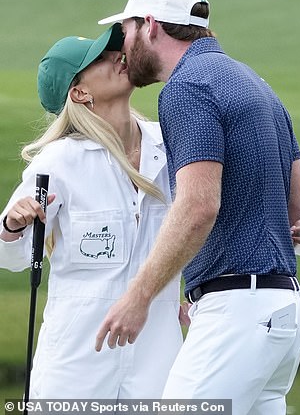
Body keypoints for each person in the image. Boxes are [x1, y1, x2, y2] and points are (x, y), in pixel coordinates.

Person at [96, 0, 300, 414]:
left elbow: (197, 206)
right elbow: (299, 213)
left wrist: (139, 296)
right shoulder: (255, 83)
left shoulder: (187, 86)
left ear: (151, 25)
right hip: (283, 312)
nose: (124, 42)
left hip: (239, 316)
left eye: (127, 29)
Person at [0, 23, 183, 399]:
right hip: (75, 367)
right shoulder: (58, 162)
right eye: (100, 58)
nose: (120, 55)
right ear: (79, 92)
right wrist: (12, 224)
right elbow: (12, 257)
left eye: (116, 49)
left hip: (159, 362)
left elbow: (205, 220)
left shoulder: (172, 146)